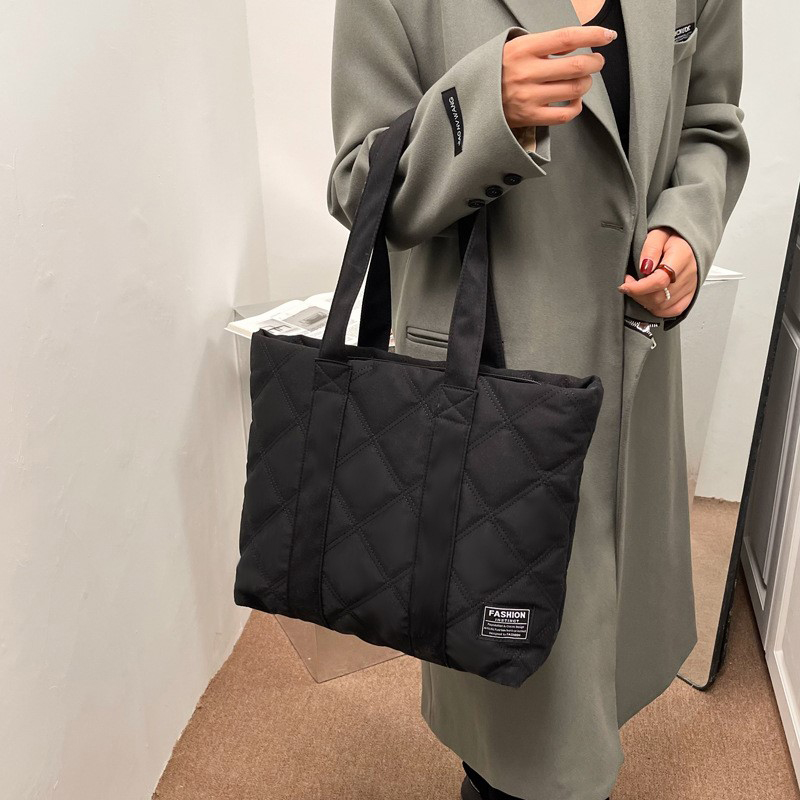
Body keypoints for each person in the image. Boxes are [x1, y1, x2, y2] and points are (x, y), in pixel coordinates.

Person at [326, 0, 750, 798]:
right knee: (515, 709)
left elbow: (710, 123)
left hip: (633, 381)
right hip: (487, 392)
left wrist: (687, 228)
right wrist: (483, 108)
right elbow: (359, 184)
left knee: (597, 663)